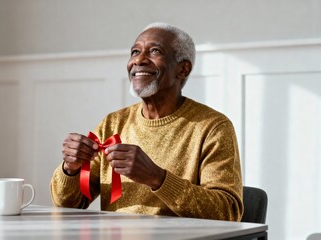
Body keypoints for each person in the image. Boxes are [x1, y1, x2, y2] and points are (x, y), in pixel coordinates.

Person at [50, 22, 243, 221]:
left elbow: (227, 211)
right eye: (135, 52)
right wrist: (70, 169)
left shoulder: (213, 127)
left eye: (155, 51)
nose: (139, 60)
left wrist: (157, 178)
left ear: (183, 69)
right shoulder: (113, 123)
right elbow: (67, 204)